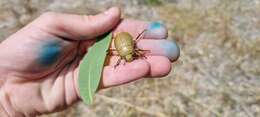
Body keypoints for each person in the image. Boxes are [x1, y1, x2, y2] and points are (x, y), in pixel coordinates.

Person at [0, 7, 179, 117]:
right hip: (122, 44)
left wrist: (7, 107)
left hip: (123, 44)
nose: (130, 57)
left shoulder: (126, 51)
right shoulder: (123, 51)